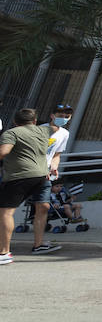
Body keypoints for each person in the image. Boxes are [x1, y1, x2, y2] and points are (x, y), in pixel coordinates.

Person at [0, 108, 61, 260]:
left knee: (6, 213)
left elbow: (3, 152)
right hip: (41, 177)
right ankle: (38, 245)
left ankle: (4, 252)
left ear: (15, 121)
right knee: (42, 208)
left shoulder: (11, 133)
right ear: (34, 121)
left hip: (19, 177)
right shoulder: (44, 131)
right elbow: (55, 127)